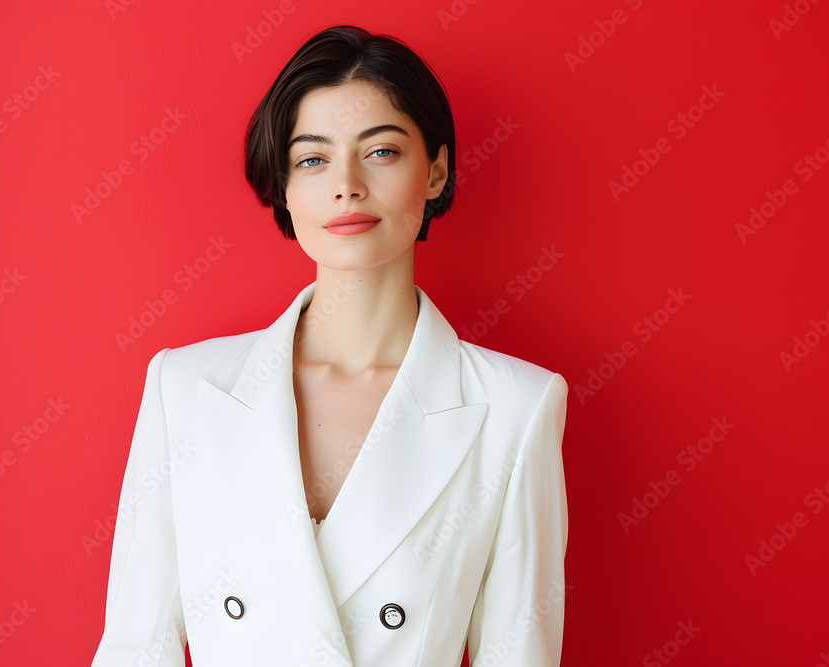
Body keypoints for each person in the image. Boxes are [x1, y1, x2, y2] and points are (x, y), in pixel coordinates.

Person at [91, 24, 568, 667]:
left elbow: (517, 654)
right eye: (313, 158)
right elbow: (133, 649)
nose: (346, 184)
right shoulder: (187, 389)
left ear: (436, 171)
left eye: (381, 152)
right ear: (284, 188)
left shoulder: (517, 407)